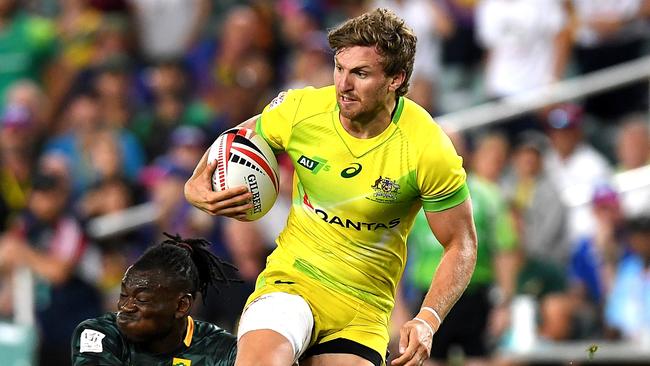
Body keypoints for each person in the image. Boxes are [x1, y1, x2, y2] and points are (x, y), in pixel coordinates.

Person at [185, 8, 478, 366]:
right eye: (339, 68)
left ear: (396, 79)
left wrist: (428, 318)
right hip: (292, 282)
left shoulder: (426, 148)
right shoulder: (302, 110)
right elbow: (239, 136)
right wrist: (195, 184)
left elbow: (461, 243)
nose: (343, 85)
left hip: (362, 309)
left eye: (360, 73)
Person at [71, 233, 239, 365]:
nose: (126, 306)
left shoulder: (223, 350)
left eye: (141, 299)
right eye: (123, 295)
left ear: (181, 305)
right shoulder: (99, 334)